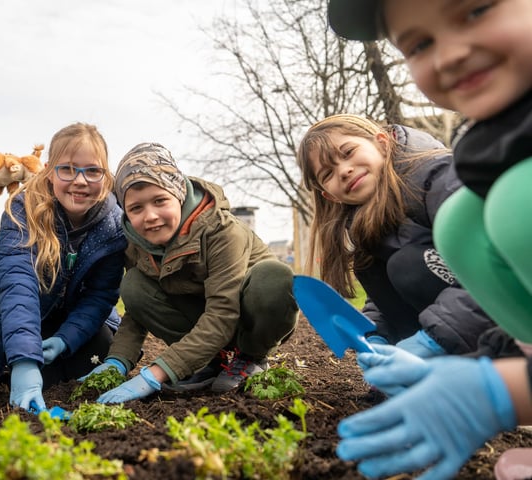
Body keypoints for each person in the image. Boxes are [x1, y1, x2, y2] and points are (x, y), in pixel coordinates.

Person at [325, 0, 532, 478]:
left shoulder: (441, 178)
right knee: (465, 223)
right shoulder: (489, 152)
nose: (450, 54)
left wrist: (489, 383)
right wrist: (486, 380)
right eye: (419, 44)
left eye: (476, 10)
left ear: (380, 143)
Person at [85, 142, 297, 404]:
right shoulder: (136, 242)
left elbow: (222, 312)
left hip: (246, 315)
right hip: (204, 318)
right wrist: (117, 360)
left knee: (275, 277)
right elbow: (137, 312)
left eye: (160, 200)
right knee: (133, 286)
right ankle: (208, 361)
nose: (150, 216)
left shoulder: (221, 230)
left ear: (180, 193)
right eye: (136, 208)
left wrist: (158, 372)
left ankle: (251, 358)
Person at [296, 114, 499, 358]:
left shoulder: (438, 179)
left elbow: (493, 266)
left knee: (408, 265)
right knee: (372, 268)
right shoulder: (365, 219)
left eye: (348, 152)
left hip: (506, 315)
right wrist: (376, 335)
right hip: (453, 330)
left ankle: (485, 358)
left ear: (382, 143)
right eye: (327, 174)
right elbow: (385, 293)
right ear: (330, 196)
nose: (344, 171)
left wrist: (433, 339)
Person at [0, 122, 127, 413]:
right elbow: (18, 286)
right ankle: (19, 362)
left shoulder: (113, 225)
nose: (80, 181)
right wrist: (25, 362)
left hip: (74, 325)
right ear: (49, 169)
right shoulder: (23, 209)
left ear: (105, 176)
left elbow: (100, 295)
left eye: (92, 171)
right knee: (15, 375)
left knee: (93, 356)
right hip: (23, 318)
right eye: (67, 169)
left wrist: (66, 340)